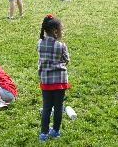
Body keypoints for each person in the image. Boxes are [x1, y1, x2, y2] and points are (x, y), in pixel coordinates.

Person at [38, 14, 70, 142]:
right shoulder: (61, 46)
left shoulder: (40, 44)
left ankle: (43, 134)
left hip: (46, 81)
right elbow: (66, 60)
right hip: (60, 81)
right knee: (58, 107)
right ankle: (56, 131)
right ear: (56, 31)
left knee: (46, 108)